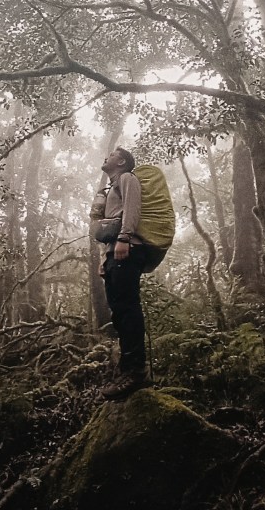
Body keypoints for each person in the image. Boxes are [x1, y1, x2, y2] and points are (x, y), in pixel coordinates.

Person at [96, 146, 152, 400]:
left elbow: (132, 208)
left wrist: (125, 237)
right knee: (119, 311)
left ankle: (136, 372)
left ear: (121, 161)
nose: (107, 157)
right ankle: (127, 369)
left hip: (127, 248)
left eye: (112, 155)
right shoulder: (110, 187)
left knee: (128, 308)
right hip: (114, 253)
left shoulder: (128, 178)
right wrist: (104, 258)